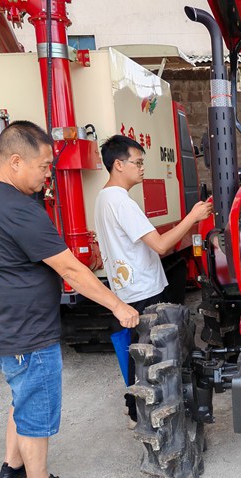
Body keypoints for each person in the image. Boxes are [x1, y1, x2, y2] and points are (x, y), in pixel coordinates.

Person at [0, 121, 140, 478]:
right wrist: (118, 306)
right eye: (43, 167)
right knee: (36, 404)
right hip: (25, 331)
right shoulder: (18, 210)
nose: (47, 176)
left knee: (20, 393)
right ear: (16, 161)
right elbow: (71, 269)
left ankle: (12, 465)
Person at [94, 135, 212, 421]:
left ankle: (137, 408)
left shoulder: (103, 198)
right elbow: (160, 245)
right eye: (138, 162)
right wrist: (193, 217)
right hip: (142, 290)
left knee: (137, 354)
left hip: (126, 289)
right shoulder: (122, 202)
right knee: (149, 356)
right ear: (118, 165)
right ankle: (144, 413)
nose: (142, 168)